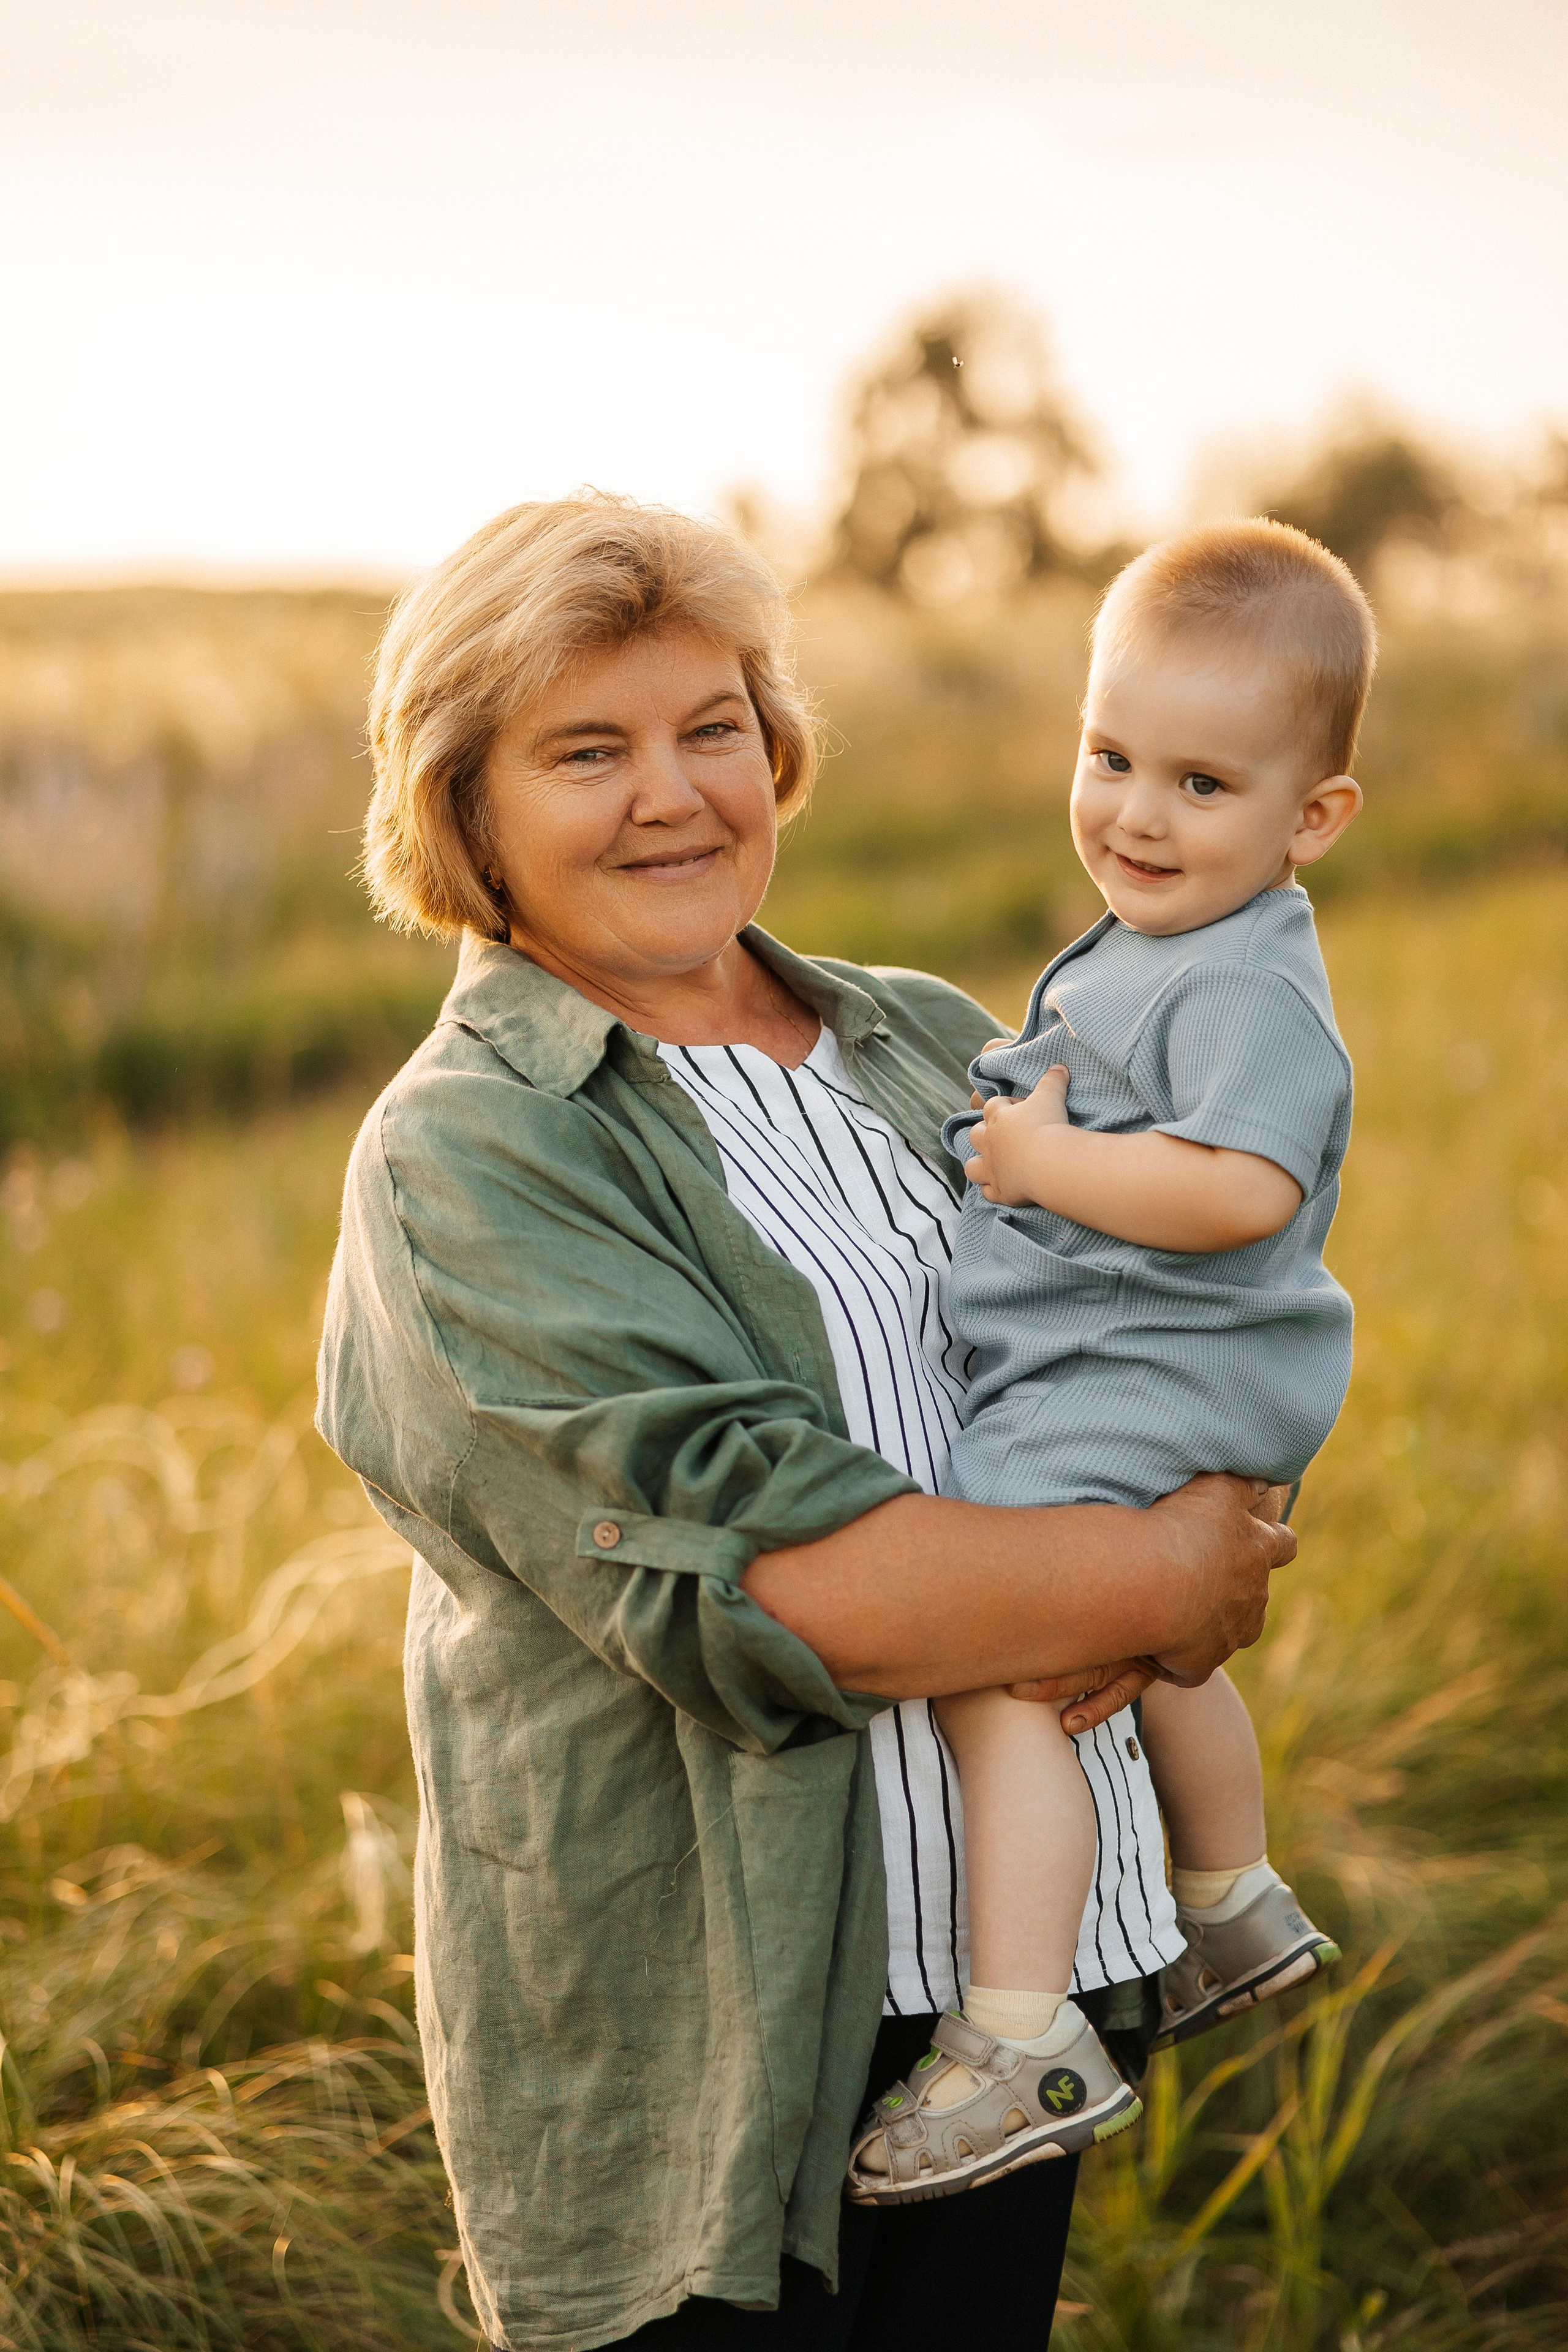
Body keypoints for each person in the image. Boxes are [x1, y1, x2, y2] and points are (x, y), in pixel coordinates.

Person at [314, 494, 1296, 2351]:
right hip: (727, 2016)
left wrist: (1207, 1519)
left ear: (777, 746)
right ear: (466, 809)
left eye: (712, 728)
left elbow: (1183, 1305)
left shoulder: (921, 1038)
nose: (672, 793)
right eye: (586, 750)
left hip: (1011, 1991)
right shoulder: (477, 1150)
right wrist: (1156, 1569)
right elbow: (781, 1578)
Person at [847, 521, 1367, 2204]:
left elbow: (1245, 1188)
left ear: (1314, 820)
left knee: (1002, 1667)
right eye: (1111, 756)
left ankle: (1017, 2035)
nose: (1139, 813)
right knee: (1157, 1651)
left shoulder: (1250, 980)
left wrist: (1047, 1168)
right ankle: (1228, 1899)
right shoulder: (1172, 940)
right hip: (1143, 1369)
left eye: (1204, 785)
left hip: (1134, 1370)